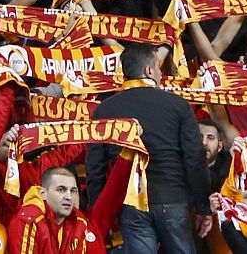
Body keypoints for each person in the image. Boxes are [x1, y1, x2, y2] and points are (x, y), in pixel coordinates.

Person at [87, 44, 212, 254]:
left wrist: (100, 218)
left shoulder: (104, 110)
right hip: (174, 201)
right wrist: (203, 207)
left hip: (131, 206)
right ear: (149, 71)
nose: (161, 74)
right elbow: (195, 158)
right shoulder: (178, 105)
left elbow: (95, 170)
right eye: (159, 68)